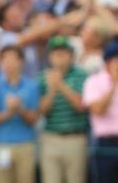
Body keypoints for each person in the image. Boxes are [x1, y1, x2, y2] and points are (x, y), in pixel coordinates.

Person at [38, 35, 89, 183]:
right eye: (55, 53)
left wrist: (60, 85)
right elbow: (41, 111)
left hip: (75, 137)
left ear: (71, 56)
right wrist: (52, 91)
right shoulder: (42, 78)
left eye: (63, 53)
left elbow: (81, 106)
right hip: (50, 138)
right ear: (49, 57)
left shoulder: (82, 75)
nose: (59, 57)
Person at [0, 45, 39, 183]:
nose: (9, 63)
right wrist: (8, 113)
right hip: (1, 144)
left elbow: (33, 119)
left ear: (21, 61)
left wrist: (19, 109)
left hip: (25, 144)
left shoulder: (32, 85)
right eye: (5, 59)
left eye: (13, 59)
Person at [83, 40, 118, 183]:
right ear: (108, 62)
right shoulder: (94, 81)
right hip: (104, 142)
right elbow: (97, 109)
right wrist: (114, 84)